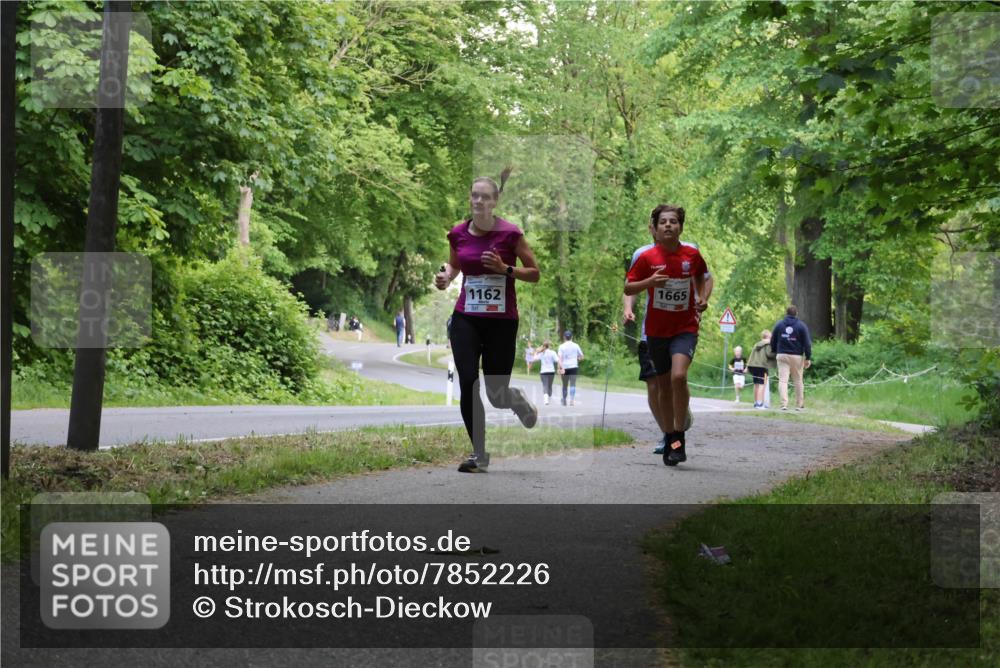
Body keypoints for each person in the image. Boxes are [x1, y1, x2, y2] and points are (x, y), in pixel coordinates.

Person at [434, 168, 541, 473]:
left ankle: (516, 400)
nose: (479, 201)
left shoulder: (510, 234)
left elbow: (534, 273)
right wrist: (445, 277)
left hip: (501, 321)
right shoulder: (458, 233)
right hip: (466, 316)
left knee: (497, 393)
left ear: (495, 202)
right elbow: (455, 265)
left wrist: (505, 268)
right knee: (468, 382)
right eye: (475, 195)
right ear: (470, 199)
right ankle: (479, 453)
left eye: (485, 197)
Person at [625, 204, 709, 466]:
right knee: (662, 387)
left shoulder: (691, 254)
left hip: (684, 328)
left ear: (681, 227)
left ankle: (678, 438)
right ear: (655, 229)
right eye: (663, 222)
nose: (669, 225)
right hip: (656, 331)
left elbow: (703, 277)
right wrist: (650, 282)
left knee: (679, 376)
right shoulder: (647, 257)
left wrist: (701, 298)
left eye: (674, 221)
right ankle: (671, 437)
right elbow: (629, 286)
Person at [770, 305, 812, 411]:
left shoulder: (779, 324)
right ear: (796, 313)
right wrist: (808, 357)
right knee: (798, 380)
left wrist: (775, 351)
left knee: (783, 380)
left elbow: (772, 340)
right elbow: (807, 343)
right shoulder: (801, 326)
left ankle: (783, 404)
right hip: (797, 356)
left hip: (782, 355)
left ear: (786, 313)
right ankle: (799, 405)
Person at [557, 331, 584, 406]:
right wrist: (577, 359)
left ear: (564, 337)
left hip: (564, 367)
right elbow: (582, 356)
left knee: (565, 384)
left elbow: (559, 358)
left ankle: (564, 400)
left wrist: (559, 368)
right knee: (573, 384)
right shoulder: (576, 345)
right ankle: (572, 400)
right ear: (572, 337)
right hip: (574, 367)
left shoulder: (561, 346)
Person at [747, 329, 773, 409]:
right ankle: (760, 403)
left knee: (756, 384)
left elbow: (751, 355)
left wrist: (747, 366)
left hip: (753, 366)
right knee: (762, 384)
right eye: (771, 337)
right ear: (768, 337)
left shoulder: (756, 344)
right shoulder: (767, 345)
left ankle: (756, 402)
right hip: (762, 367)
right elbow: (769, 354)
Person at [532, 340, 559, 405]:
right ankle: (548, 398)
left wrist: (536, 352)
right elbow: (557, 360)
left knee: (545, 385)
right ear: (549, 346)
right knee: (549, 385)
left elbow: (534, 359)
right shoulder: (553, 352)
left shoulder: (541, 353)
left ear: (543, 346)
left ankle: (546, 399)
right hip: (551, 371)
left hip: (543, 372)